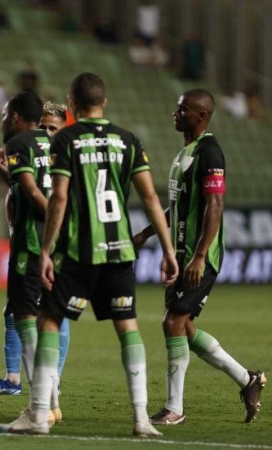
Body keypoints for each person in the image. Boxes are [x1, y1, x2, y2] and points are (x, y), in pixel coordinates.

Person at [0, 72, 178, 436]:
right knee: (128, 327)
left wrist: (46, 249)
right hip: (119, 248)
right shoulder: (129, 141)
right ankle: (142, 419)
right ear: (104, 103)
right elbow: (151, 198)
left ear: (72, 104)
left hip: (79, 249)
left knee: (47, 320)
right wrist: (168, 249)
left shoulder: (65, 140)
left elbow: (59, 197)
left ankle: (39, 414)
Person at [134, 89, 266, 425]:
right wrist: (146, 235)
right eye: (177, 109)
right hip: (181, 253)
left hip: (198, 256)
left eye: (183, 110)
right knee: (185, 328)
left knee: (172, 323)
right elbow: (177, 206)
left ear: (202, 116)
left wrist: (200, 256)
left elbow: (215, 205)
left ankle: (174, 408)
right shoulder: (185, 153)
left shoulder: (209, 151)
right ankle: (247, 379)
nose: (175, 114)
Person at [0, 100, 70, 401]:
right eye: (43, 126)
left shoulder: (54, 151)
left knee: (49, 316)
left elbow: (36, 193)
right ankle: (21, 381)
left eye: (53, 128)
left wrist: (60, 222)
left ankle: (47, 390)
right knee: (21, 313)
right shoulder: (40, 152)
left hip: (42, 243)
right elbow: (26, 189)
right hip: (33, 239)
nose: (46, 132)